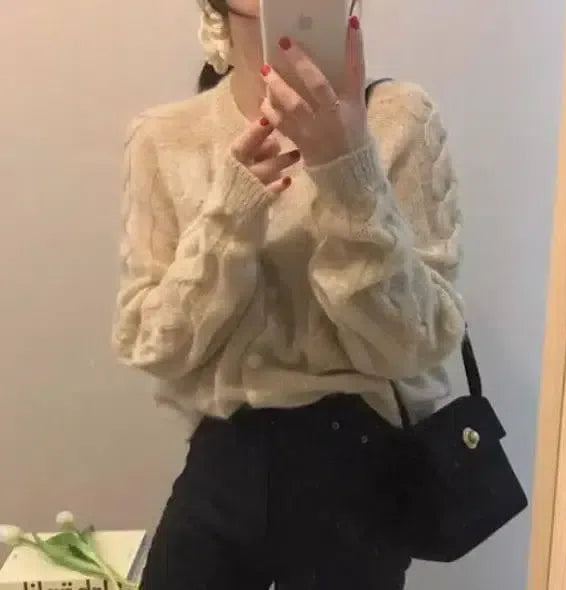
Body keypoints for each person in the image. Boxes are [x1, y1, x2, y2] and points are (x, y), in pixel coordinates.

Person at [112, 0, 464, 588]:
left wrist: (347, 168)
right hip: (225, 460)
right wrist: (230, 213)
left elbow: (414, 344)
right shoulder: (164, 138)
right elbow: (154, 346)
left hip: (359, 464)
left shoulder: (398, 118)